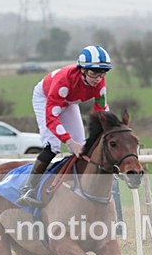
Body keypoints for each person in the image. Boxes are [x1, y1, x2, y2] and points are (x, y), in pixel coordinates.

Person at [17, 45, 112, 207]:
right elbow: (51, 117)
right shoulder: (64, 81)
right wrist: (68, 141)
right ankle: (28, 189)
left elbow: (100, 113)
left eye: (102, 72)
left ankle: (80, 189)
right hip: (46, 98)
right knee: (53, 145)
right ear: (82, 70)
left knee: (82, 147)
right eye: (93, 72)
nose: (98, 78)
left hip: (69, 101)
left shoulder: (100, 84)